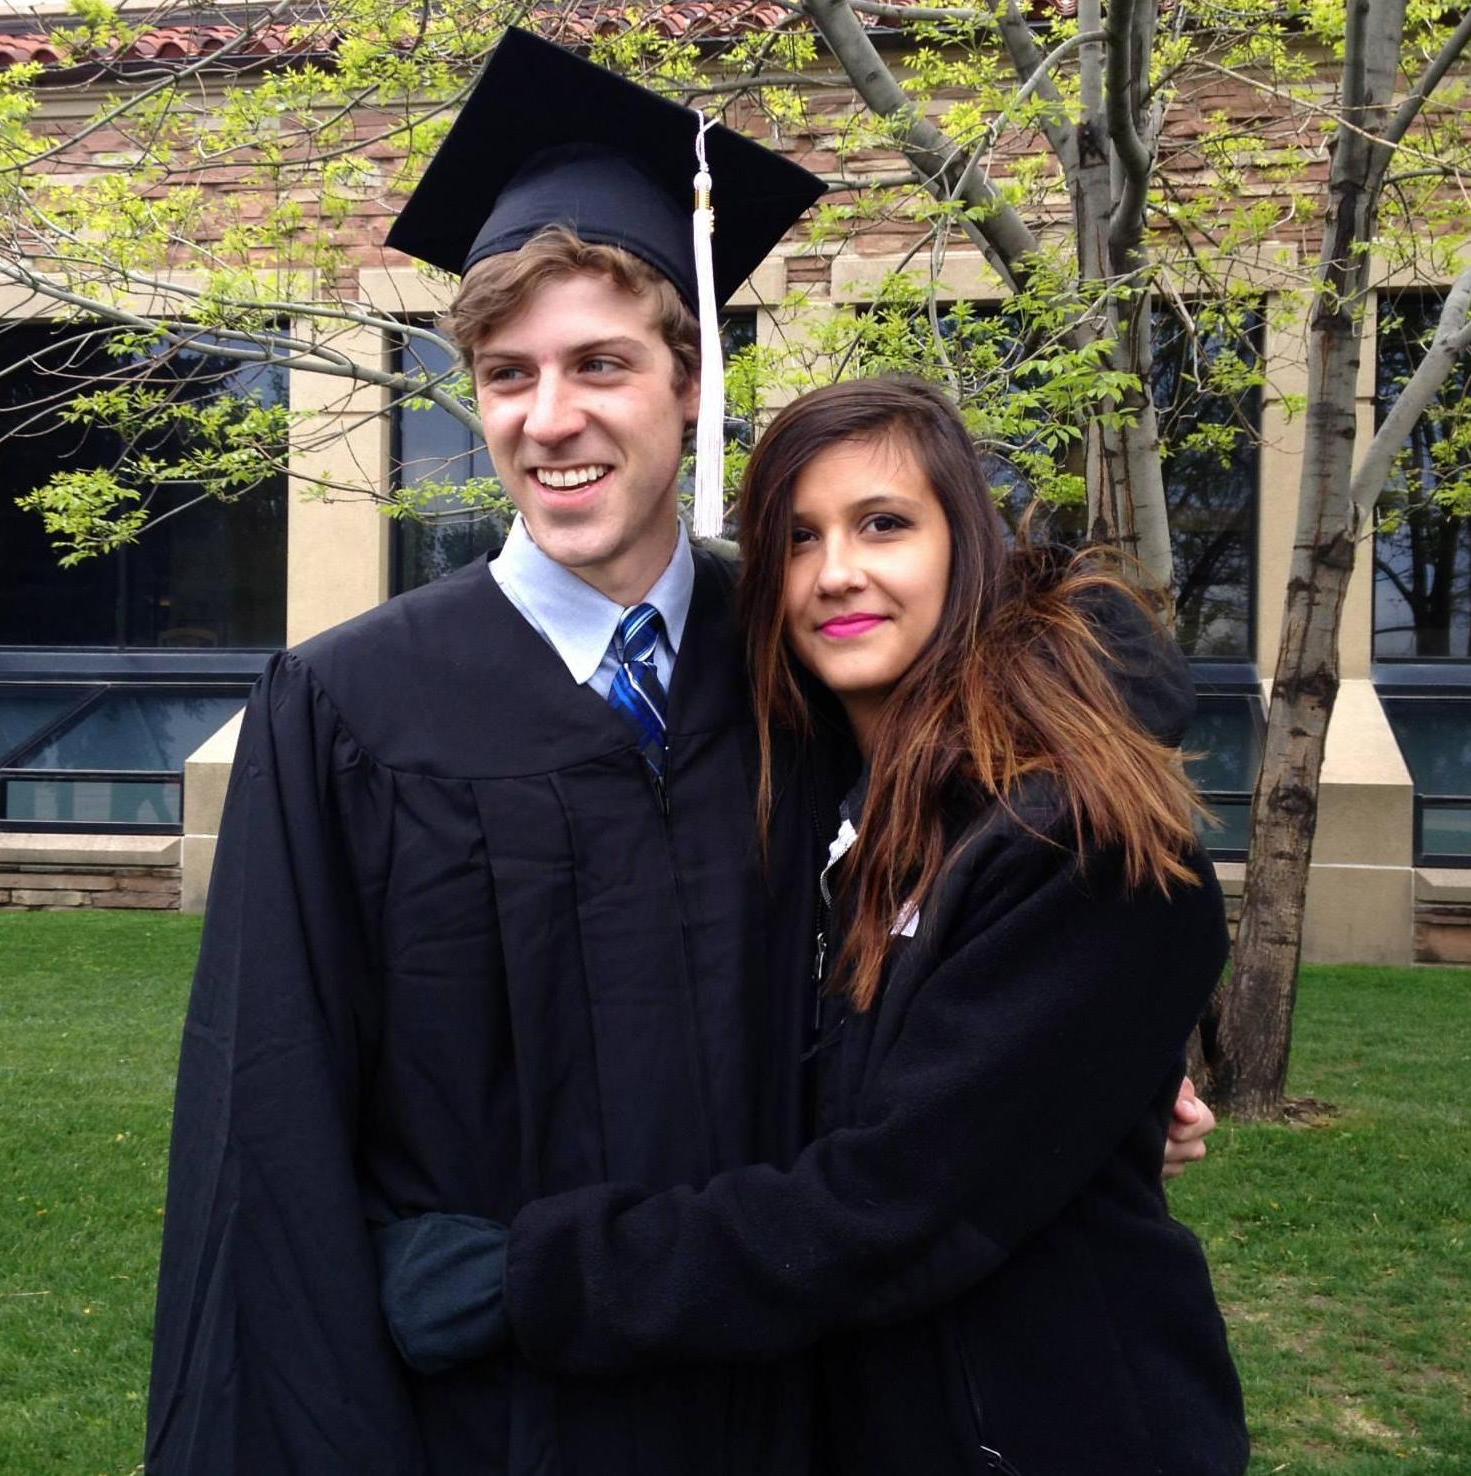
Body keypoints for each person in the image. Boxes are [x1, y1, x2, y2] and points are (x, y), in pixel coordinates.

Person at [145, 28, 1216, 1475]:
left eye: (601, 363)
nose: (551, 418)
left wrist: (1114, 1062)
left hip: (798, 1407)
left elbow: (1064, 717)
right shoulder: (348, 713)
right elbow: (263, 1140)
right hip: (493, 1418)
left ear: (690, 378)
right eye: (508, 375)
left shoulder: (798, 652)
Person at [374, 378, 1251, 1475]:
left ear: (962, 548)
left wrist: (531, 1279)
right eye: (795, 538)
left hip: (1045, 1428)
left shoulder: (1073, 839)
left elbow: (895, 1208)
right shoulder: (854, 808)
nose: (837, 571)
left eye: (884, 524)